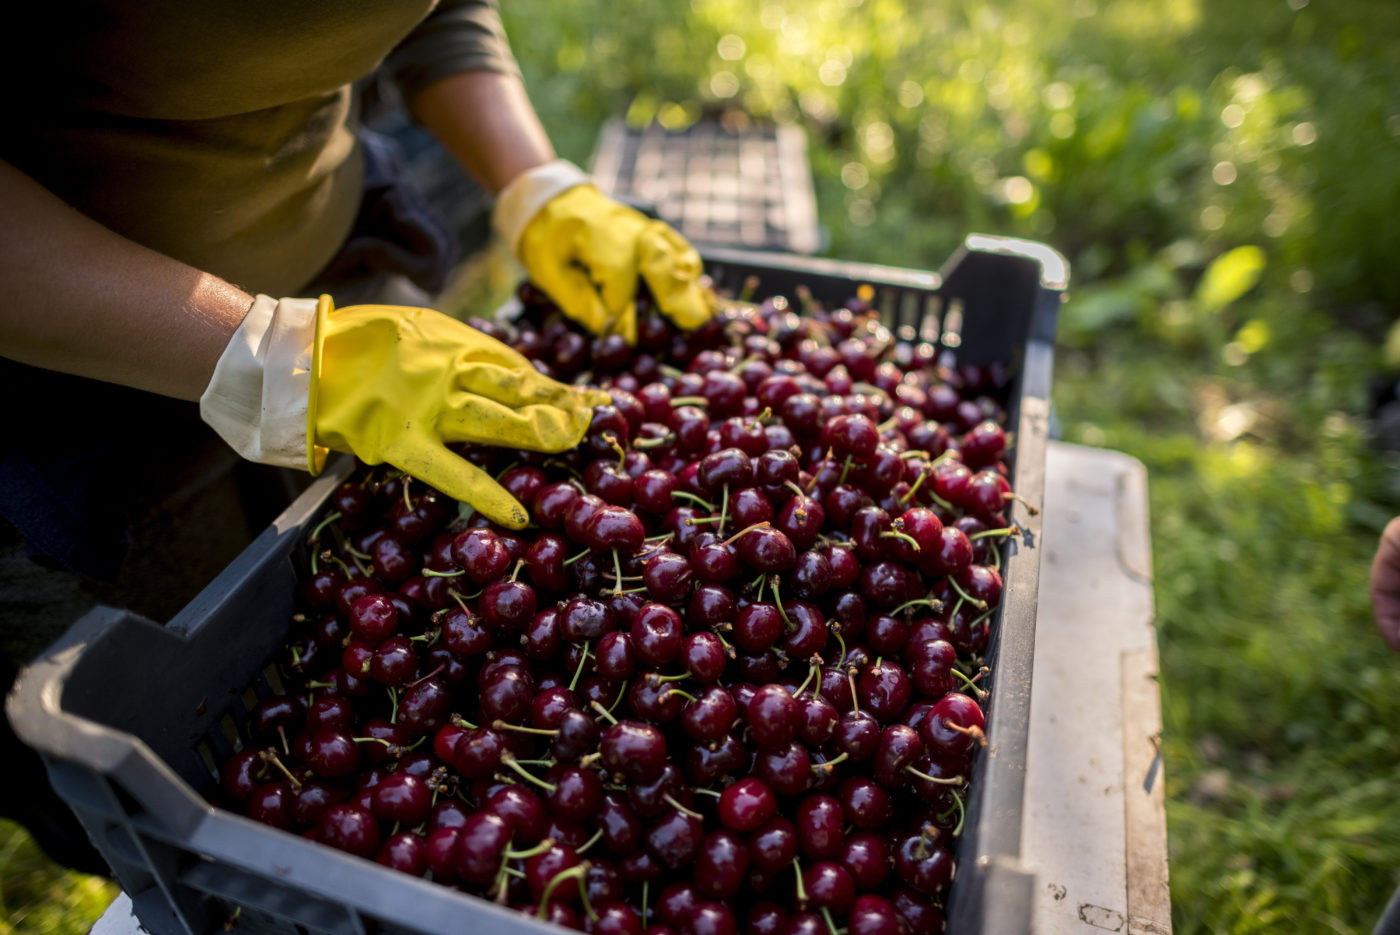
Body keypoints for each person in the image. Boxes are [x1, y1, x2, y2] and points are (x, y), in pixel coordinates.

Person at [0, 0, 712, 872]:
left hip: (333, 281)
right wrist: (274, 356)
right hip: (69, 389)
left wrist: (534, 179)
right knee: (183, 792)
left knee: (335, 654)